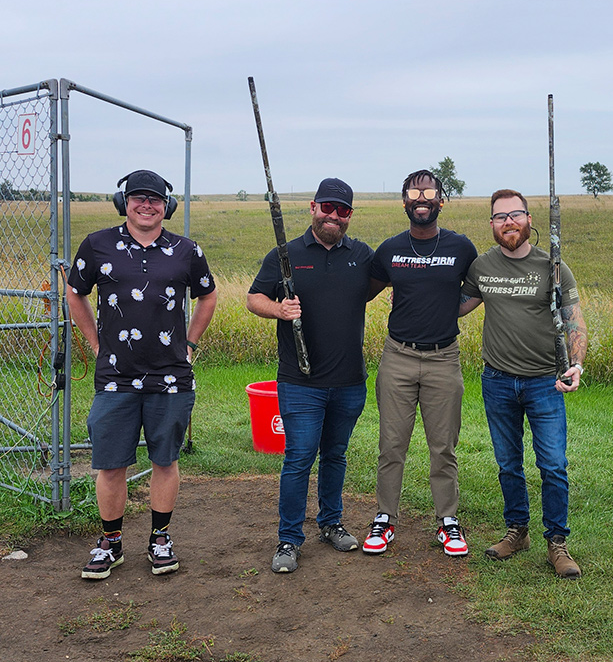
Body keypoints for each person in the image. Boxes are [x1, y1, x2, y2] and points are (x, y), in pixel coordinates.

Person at [66, 169, 217, 579]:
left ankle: (159, 539)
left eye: (154, 199)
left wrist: (190, 343)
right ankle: (110, 542)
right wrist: (95, 343)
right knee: (111, 464)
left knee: (164, 459)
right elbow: (74, 292)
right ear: (124, 203)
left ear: (166, 207)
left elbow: (208, 294)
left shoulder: (187, 250)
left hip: (171, 376)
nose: (146, 205)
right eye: (138, 198)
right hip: (115, 377)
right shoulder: (97, 245)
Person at [247, 178, 375, 574]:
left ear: (350, 216)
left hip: (350, 381)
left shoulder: (362, 256)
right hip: (300, 382)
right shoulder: (285, 255)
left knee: (335, 455)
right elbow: (254, 298)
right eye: (328, 207)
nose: (334, 216)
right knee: (300, 458)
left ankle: (331, 523)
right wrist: (279, 311)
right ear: (313, 207)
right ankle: (289, 539)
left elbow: (387, 284)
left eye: (343, 210)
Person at [459, 188, 586, 578]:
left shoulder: (554, 267)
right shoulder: (481, 267)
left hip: (544, 383)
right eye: (500, 217)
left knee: (553, 464)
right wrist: (413, 299)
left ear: (530, 219)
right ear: (492, 225)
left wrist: (575, 364)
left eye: (515, 215)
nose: (508, 222)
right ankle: (517, 532)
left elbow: (575, 321)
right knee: (508, 463)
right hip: (497, 380)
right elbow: (457, 308)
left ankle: (557, 543)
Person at [362, 169, 478, 557]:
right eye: (414, 192)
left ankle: (448, 521)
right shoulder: (390, 249)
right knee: (391, 445)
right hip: (398, 357)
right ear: (405, 202)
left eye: (429, 192)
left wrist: (451, 311)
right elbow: (362, 292)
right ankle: (384, 519)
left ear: (441, 200)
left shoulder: (462, 248)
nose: (421, 198)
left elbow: (478, 288)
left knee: (443, 447)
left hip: (444, 359)